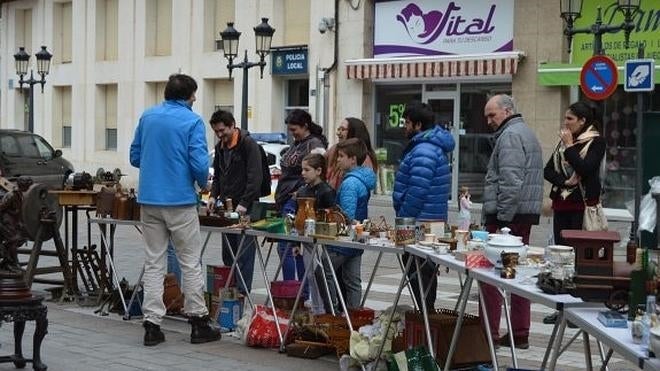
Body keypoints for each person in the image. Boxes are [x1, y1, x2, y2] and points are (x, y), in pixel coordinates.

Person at [130, 73, 220, 346]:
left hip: (149, 199)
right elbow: (199, 164)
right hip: (180, 200)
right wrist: (202, 183)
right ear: (187, 96)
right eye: (194, 94)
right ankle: (198, 322)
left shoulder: (147, 117)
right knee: (190, 261)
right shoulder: (192, 120)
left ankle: (152, 325)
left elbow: (135, 156)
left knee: (154, 262)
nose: (195, 99)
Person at [481, 94, 543, 349]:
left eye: (492, 115)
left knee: (491, 277)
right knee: (517, 275)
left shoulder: (510, 137)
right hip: (521, 215)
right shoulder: (523, 132)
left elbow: (511, 181)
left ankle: (490, 335)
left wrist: (502, 222)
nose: (488, 121)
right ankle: (519, 333)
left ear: (507, 111)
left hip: (509, 218)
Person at [542, 101, 606, 325]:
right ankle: (561, 308)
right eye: (565, 118)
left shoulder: (596, 141)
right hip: (562, 205)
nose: (565, 123)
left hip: (582, 207)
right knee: (561, 258)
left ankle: (575, 310)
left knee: (578, 259)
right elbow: (548, 170)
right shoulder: (564, 142)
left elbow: (586, 169)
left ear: (582, 121)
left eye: (570, 119)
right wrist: (564, 181)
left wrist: (570, 146)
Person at [393, 101, 454, 311]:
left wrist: (403, 219)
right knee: (423, 275)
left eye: (407, 122)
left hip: (419, 222)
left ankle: (427, 321)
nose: (404, 126)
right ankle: (426, 318)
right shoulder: (428, 147)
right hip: (429, 220)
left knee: (420, 275)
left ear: (418, 125)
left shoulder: (424, 150)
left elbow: (417, 190)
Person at [207, 109, 263, 296]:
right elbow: (217, 177)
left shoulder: (248, 144)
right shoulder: (221, 147)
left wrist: (245, 203)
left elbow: (255, 177)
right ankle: (231, 289)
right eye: (216, 131)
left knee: (244, 252)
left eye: (222, 130)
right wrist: (213, 196)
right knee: (229, 252)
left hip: (245, 208)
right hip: (228, 207)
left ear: (233, 125)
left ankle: (242, 292)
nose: (220, 135)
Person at [275, 110, 327, 286]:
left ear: (305, 126)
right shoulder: (297, 143)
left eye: (294, 129)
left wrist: (303, 191)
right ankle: (296, 289)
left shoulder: (314, 143)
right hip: (287, 198)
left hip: (297, 200)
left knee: (287, 247)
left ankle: (292, 289)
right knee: (291, 247)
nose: (292, 133)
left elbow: (320, 170)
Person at [325, 138, 376, 310]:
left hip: (344, 240)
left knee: (324, 270)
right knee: (352, 279)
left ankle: (332, 310)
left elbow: (346, 215)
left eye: (341, 156)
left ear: (352, 159)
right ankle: (354, 315)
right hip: (356, 239)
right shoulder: (361, 179)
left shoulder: (349, 183)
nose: (337, 159)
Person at [297, 153, 336, 313]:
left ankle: (323, 309)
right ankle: (316, 307)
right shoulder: (303, 190)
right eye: (302, 170)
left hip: (321, 239)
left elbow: (331, 216)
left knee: (319, 274)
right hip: (305, 238)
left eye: (307, 170)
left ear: (319, 170)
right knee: (310, 275)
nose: (303, 173)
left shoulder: (327, 191)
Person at [326, 117, 378, 190]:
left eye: (342, 129)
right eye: (338, 129)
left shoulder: (364, 158)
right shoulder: (334, 149)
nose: (338, 133)